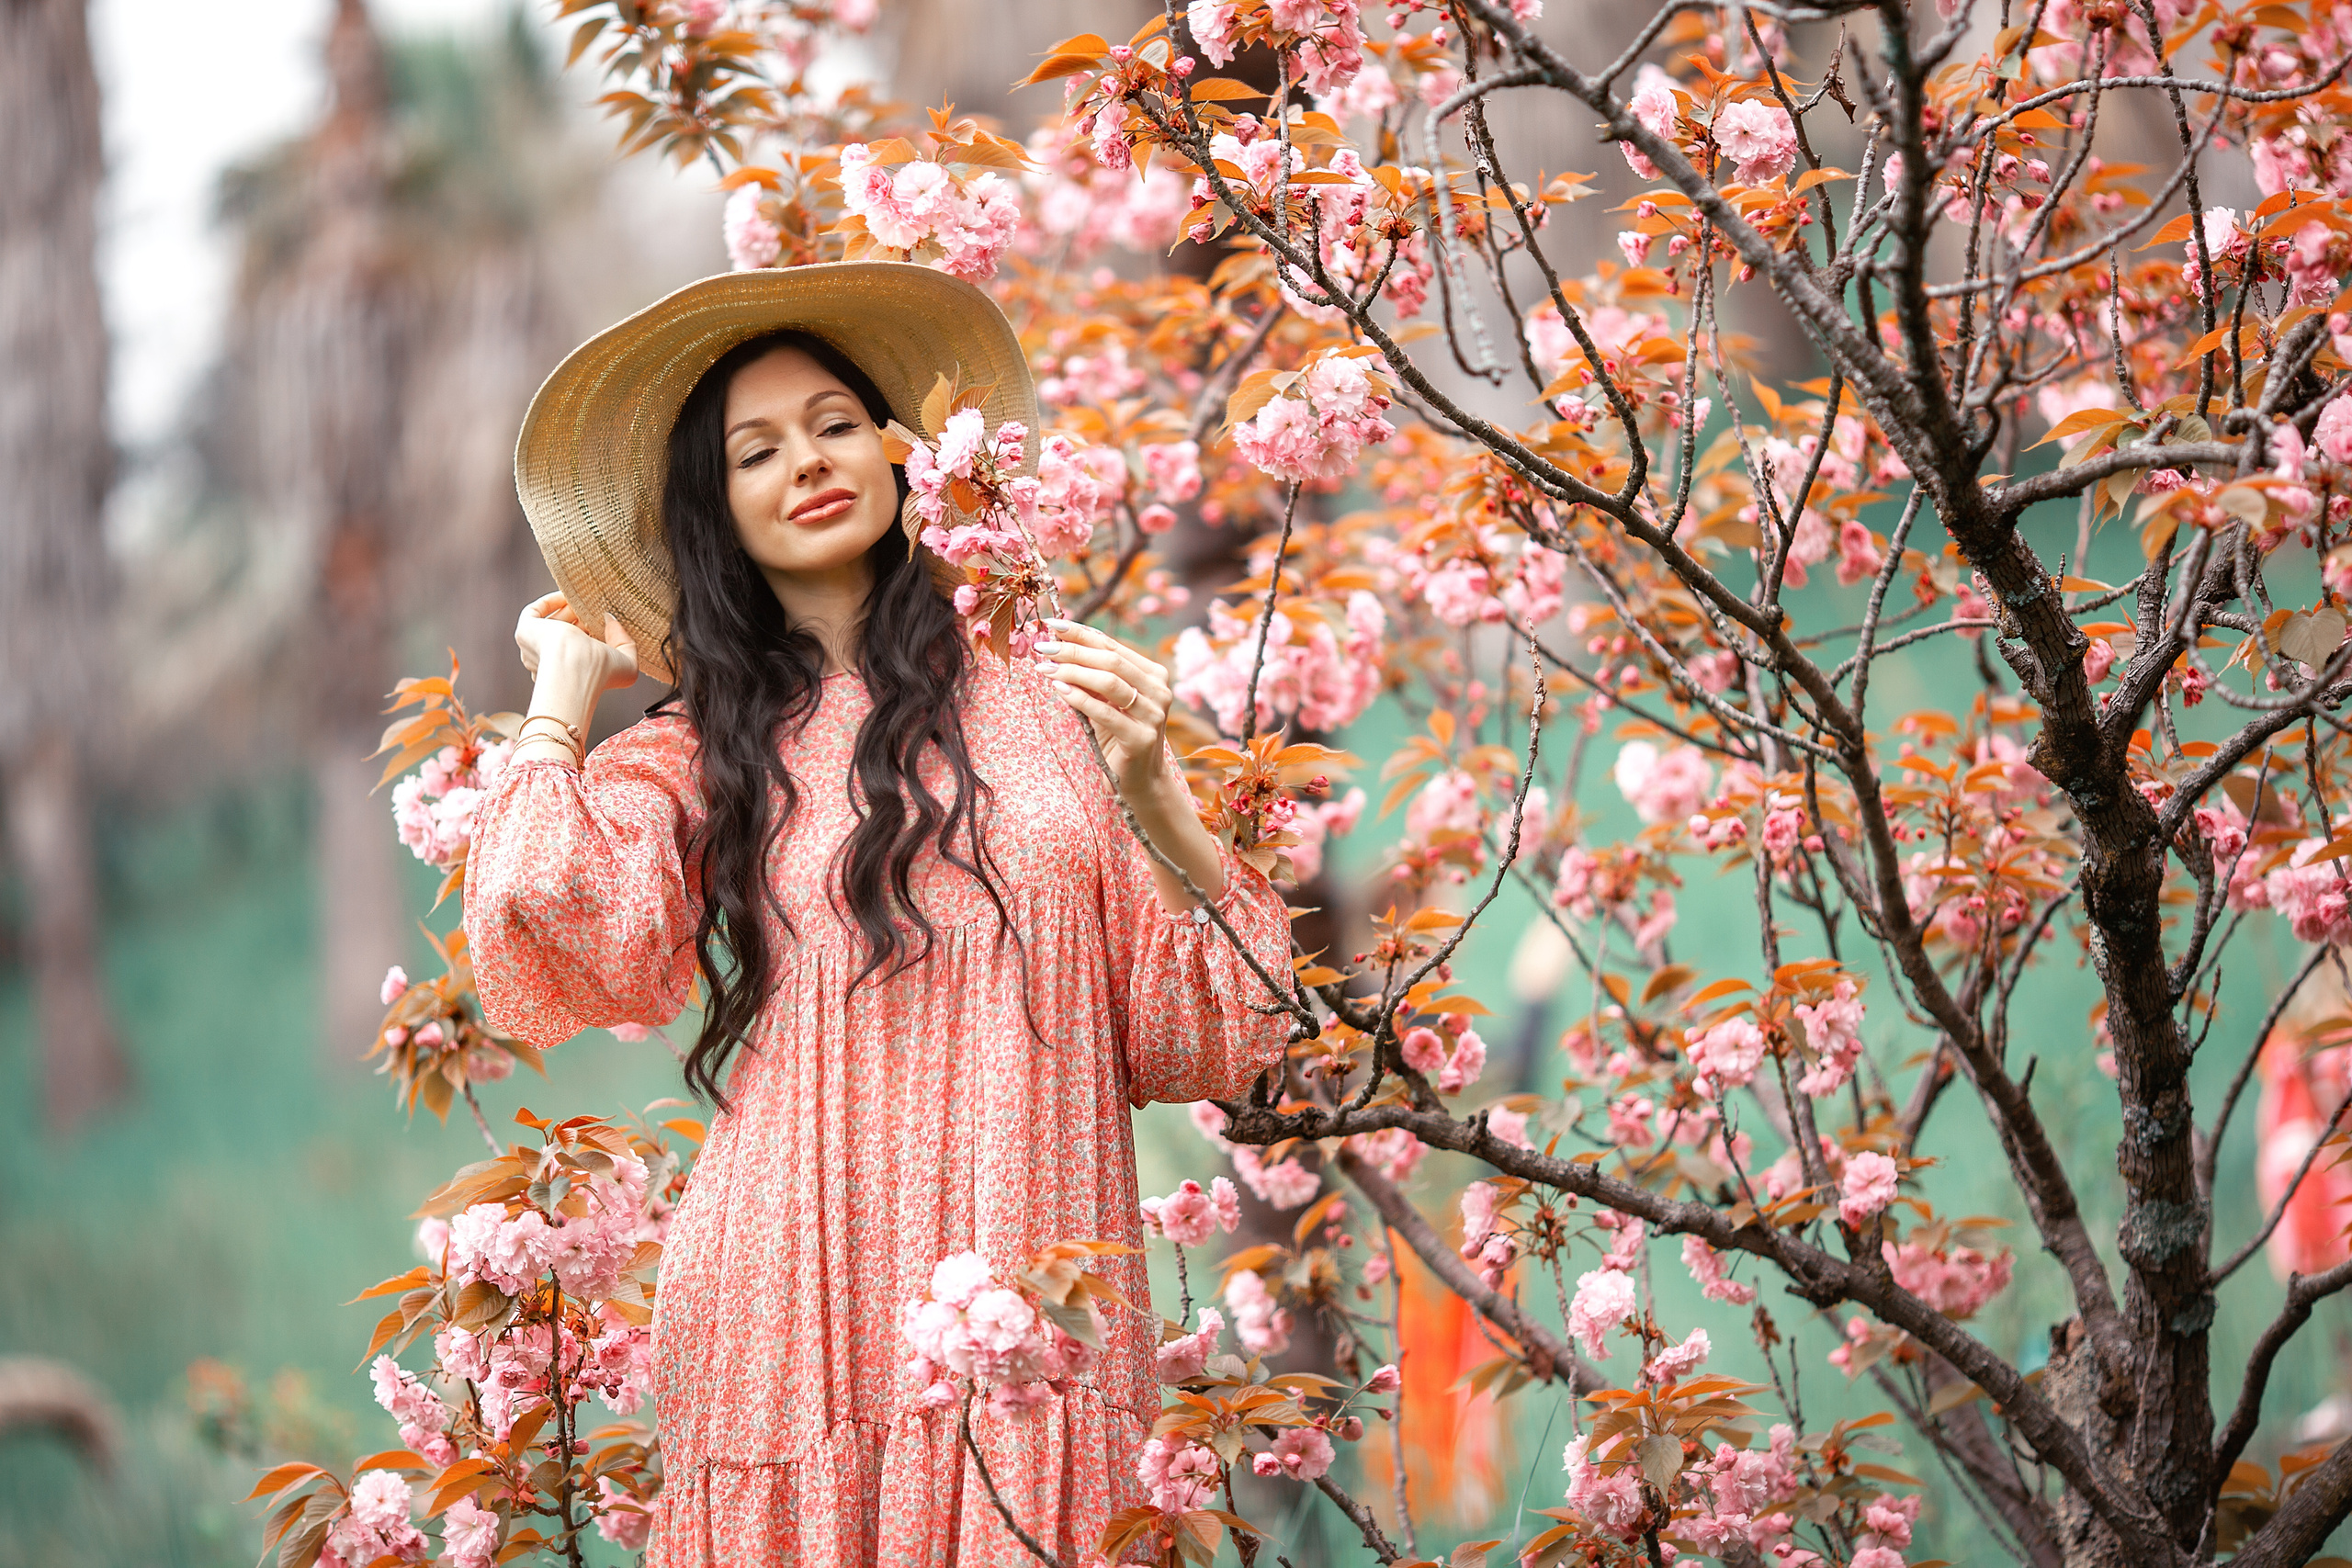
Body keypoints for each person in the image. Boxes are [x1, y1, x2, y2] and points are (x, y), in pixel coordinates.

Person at [462, 263, 1295, 1565]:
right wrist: (562, 699)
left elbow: (1215, 1032)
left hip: (1036, 1303)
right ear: (716, 515)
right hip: (796, 1301)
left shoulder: (1039, 696)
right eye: (756, 451)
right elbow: (541, 910)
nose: (807, 460)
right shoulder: (704, 750)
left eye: (836, 423)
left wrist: (1159, 794)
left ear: (900, 454)